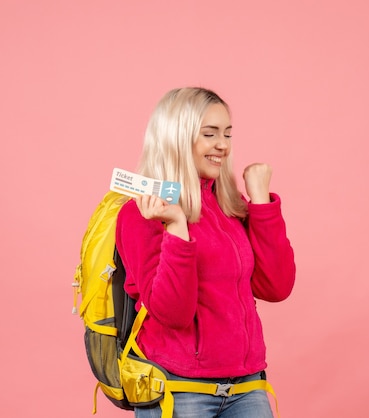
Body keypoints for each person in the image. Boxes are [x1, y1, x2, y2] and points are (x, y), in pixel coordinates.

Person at [115, 87, 296, 418]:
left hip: (246, 385)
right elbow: (173, 314)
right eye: (209, 134)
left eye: (227, 134)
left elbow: (277, 286)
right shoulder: (140, 214)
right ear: (178, 139)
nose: (223, 145)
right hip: (179, 388)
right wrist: (176, 228)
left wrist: (260, 202)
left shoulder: (228, 206)